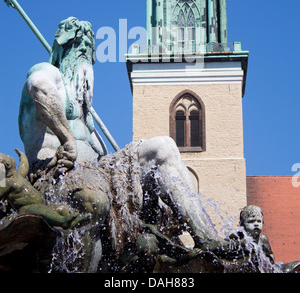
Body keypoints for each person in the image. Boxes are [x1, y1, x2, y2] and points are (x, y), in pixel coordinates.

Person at [18, 17, 228, 253]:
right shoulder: (49, 73)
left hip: (97, 173)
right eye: (78, 47)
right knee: (96, 201)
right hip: (55, 172)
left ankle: (205, 237)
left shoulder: (88, 119)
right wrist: (66, 138)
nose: (84, 53)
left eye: (88, 50)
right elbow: (39, 86)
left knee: (164, 147)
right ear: (61, 49)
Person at [0, 148, 87, 229]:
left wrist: (21, 155)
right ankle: (63, 221)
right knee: (44, 211)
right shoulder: (6, 183)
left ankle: (72, 223)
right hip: (26, 209)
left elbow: (24, 166)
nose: (9, 156)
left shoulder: (19, 175)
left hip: (41, 205)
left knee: (62, 208)